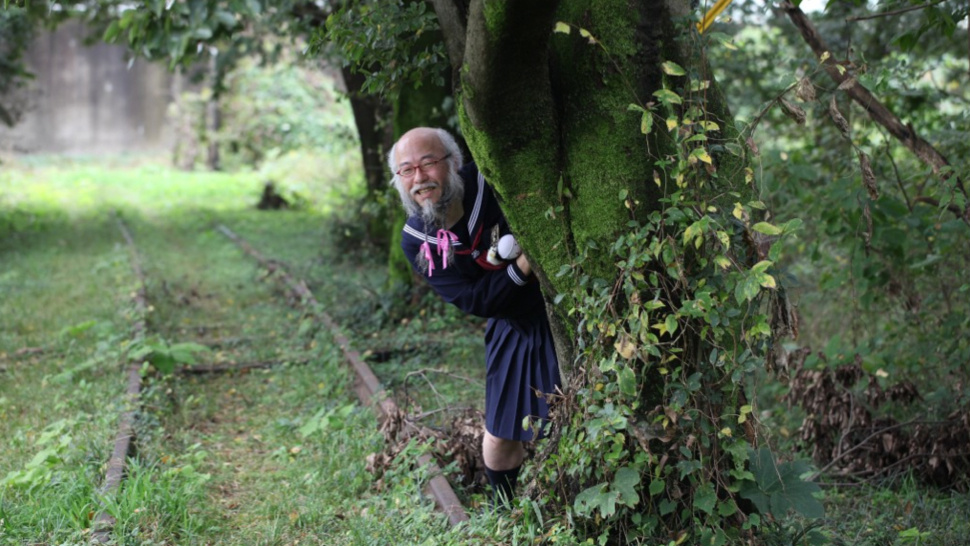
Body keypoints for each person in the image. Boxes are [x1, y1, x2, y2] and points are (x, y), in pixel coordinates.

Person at [388, 127, 561, 507]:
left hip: (559, 305)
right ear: (399, 180)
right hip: (510, 322)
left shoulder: (489, 182)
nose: (420, 178)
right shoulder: (417, 239)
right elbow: (476, 301)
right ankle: (508, 509)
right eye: (407, 170)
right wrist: (524, 263)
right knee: (500, 434)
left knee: (564, 418)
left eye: (428, 163)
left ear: (453, 162)